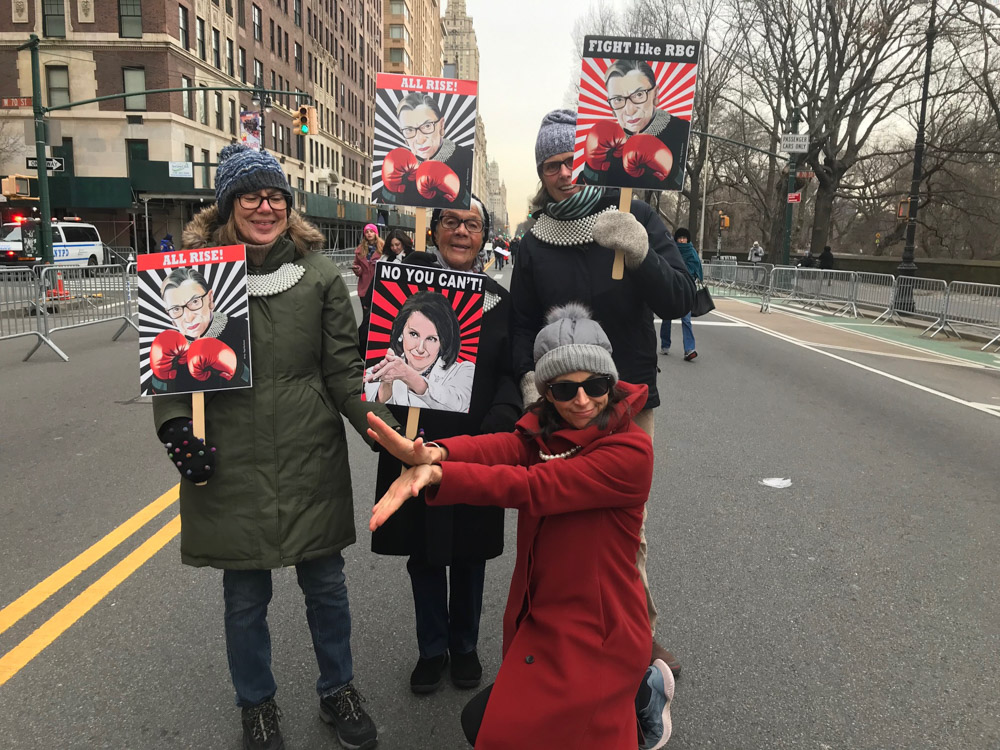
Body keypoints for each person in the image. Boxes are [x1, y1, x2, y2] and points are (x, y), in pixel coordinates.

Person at [152, 143, 396, 750]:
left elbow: (343, 372)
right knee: (245, 596)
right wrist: (178, 429)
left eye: (276, 196)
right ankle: (256, 705)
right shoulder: (189, 276)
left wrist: (386, 431)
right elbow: (171, 369)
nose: (265, 207)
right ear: (228, 205)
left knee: (327, 586)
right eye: (251, 196)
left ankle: (338, 689)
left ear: (290, 205)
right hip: (229, 460)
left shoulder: (318, 278)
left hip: (308, 453)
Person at [365, 304, 674, 750]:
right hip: (546, 617)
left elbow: (534, 486)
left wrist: (439, 476)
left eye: (597, 385)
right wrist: (436, 453)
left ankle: (640, 702)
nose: (583, 400)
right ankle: (642, 694)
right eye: (566, 389)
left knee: (516, 733)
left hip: (601, 631)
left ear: (612, 381)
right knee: (487, 723)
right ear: (547, 393)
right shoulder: (549, 433)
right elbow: (504, 447)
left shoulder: (631, 452)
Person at [511, 108, 695, 679]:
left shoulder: (634, 214)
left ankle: (639, 636)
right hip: (560, 403)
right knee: (562, 526)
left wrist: (640, 254)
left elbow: (679, 300)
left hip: (627, 400)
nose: (564, 173)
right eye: (550, 165)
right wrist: (526, 377)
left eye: (571, 159)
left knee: (623, 530)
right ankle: (565, 634)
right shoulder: (534, 241)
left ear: (591, 158)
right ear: (541, 174)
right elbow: (520, 322)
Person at [369, 196, 522, 698]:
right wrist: (393, 429)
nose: (461, 232)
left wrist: (496, 431)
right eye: (451, 222)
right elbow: (371, 361)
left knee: (470, 555)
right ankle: (431, 649)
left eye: (472, 225)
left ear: (484, 236)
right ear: (433, 230)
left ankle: (465, 646)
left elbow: (509, 375)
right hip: (413, 443)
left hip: (473, 448)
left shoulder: (498, 301)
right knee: (425, 554)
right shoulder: (399, 291)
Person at [579, 60, 690, 191]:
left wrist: (672, 171)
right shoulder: (606, 143)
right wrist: (592, 169)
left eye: (638, 95)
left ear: (655, 94)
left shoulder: (681, 129)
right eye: (618, 99)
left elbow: (685, 192)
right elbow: (583, 193)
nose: (629, 110)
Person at [363, 290, 475, 411]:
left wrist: (408, 375)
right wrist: (386, 384)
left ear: (443, 342)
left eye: (431, 339)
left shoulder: (463, 371)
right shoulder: (375, 372)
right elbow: (376, 413)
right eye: (414, 334)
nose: (420, 348)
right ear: (401, 332)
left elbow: (457, 404)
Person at [149, 267, 250, 394]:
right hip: (188, 413)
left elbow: (262, 380)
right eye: (175, 309)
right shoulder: (168, 350)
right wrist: (160, 378)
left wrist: (237, 368)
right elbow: (163, 401)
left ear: (210, 298)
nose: (188, 317)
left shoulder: (240, 328)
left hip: (235, 411)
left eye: (195, 302)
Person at [377, 92, 474, 208]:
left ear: (441, 126)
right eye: (409, 130)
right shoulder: (400, 167)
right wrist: (389, 191)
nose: (420, 139)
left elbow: (473, 211)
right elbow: (382, 210)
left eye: (427, 126)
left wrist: (460, 194)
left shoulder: (465, 157)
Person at [661, 227, 702, 361]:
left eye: (684, 238)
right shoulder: (672, 250)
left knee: (686, 320)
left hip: (686, 289)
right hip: (672, 286)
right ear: (676, 239)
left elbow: (696, 268)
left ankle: (689, 349)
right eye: (680, 238)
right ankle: (665, 344)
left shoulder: (691, 252)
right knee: (667, 316)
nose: (682, 240)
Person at [353, 223, 384, 356]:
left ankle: (377, 344)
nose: (369, 234)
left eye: (371, 231)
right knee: (366, 318)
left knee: (377, 317)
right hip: (365, 289)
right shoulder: (360, 250)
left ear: (376, 233)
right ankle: (365, 345)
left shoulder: (383, 248)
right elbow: (357, 267)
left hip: (379, 288)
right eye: (367, 232)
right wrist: (357, 270)